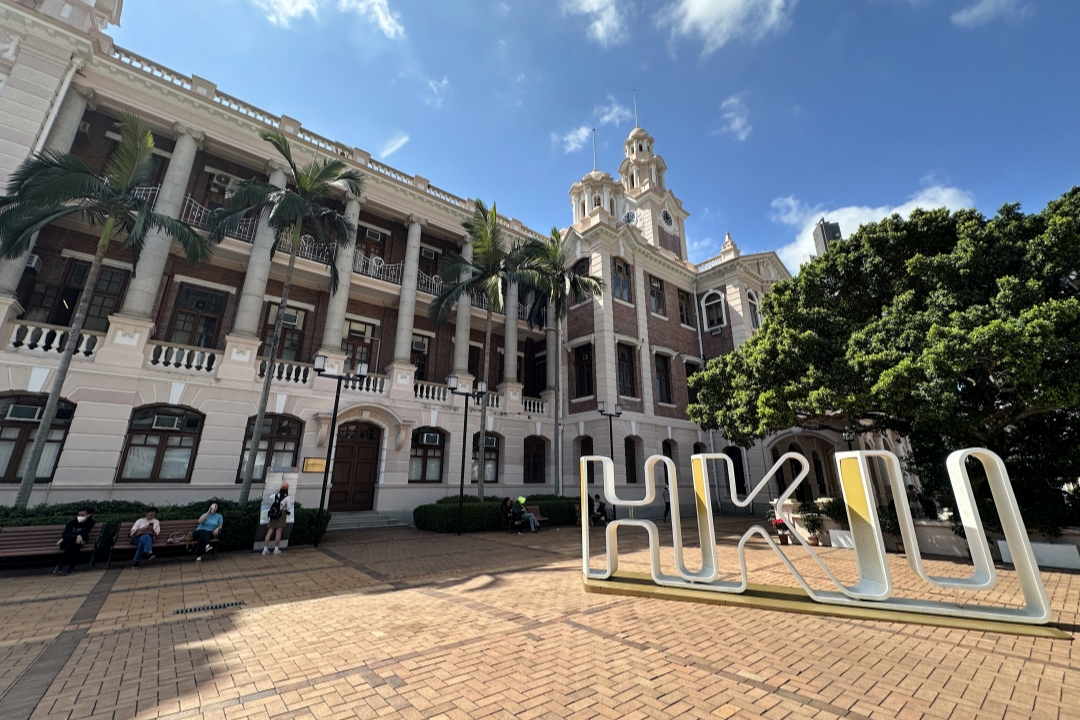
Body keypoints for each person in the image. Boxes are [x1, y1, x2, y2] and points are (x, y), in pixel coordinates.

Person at [54, 507, 94, 575]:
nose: (80, 517)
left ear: (88, 515)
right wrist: (76, 536)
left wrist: (72, 537)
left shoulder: (90, 523)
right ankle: (70, 568)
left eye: (82, 515)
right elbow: (64, 534)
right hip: (69, 542)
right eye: (79, 515)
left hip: (80, 541)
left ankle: (61, 565)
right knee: (73, 545)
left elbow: (84, 534)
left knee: (74, 544)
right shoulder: (72, 522)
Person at [262, 482, 293, 555]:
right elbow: (288, 508)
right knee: (278, 532)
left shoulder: (275, 495)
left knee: (269, 531)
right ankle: (276, 549)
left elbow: (270, 497)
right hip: (281, 514)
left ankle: (265, 549)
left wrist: (277, 492)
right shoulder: (287, 497)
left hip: (273, 514)